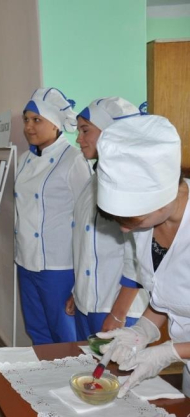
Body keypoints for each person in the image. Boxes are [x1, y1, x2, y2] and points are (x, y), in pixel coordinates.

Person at [94, 115, 190, 398]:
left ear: (164, 196)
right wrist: (144, 329)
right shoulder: (145, 225)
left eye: (132, 220)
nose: (125, 229)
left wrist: (171, 352)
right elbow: (168, 292)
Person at [65, 97, 149, 338]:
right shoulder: (95, 179)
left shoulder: (131, 184)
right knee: (88, 362)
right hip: (89, 304)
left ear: (112, 133)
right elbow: (85, 245)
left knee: (114, 364)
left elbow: (138, 256)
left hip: (117, 308)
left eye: (85, 131)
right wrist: (78, 292)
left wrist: (119, 313)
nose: (78, 139)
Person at [15, 87, 92, 345]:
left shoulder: (74, 160)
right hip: (26, 260)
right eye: (26, 119)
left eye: (37, 120)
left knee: (65, 335)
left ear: (55, 124)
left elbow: (88, 220)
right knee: (37, 330)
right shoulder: (24, 159)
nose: (29, 126)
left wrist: (81, 279)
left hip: (60, 266)